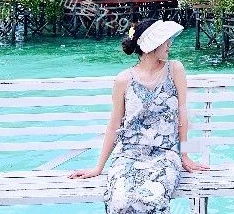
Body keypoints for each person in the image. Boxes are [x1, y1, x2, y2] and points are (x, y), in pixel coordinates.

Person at [69, 19, 210, 213]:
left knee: (152, 199)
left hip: (166, 154)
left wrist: (184, 155)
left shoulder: (175, 69)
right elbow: (114, 126)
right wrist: (98, 167)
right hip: (128, 154)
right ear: (151, 44)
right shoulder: (123, 79)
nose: (169, 44)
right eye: (165, 40)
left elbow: (183, 116)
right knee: (120, 201)